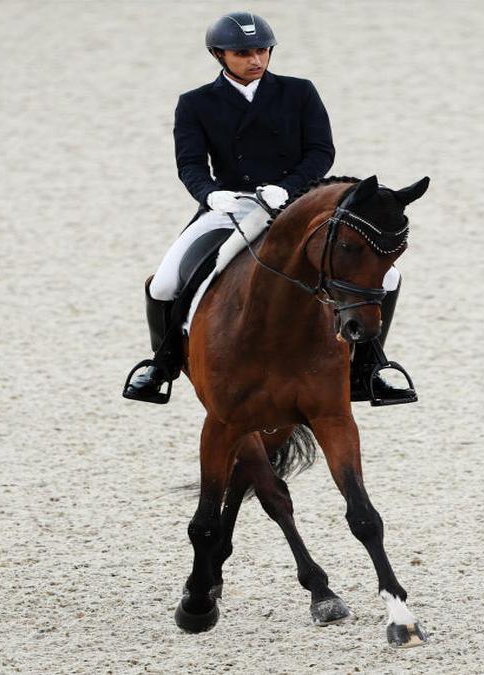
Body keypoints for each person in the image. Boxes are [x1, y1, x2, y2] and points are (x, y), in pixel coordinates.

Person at [123, 11, 416, 406]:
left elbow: (320, 151)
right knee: (165, 282)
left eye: (262, 50)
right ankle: (162, 364)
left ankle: (370, 368)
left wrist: (289, 188)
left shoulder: (299, 92)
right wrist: (211, 194)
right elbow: (190, 164)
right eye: (243, 52)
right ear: (218, 55)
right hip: (229, 207)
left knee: (390, 277)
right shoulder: (195, 103)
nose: (255, 60)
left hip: (294, 206)